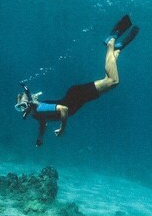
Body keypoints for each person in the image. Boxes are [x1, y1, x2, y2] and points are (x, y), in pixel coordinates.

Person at [15, 15, 139, 146]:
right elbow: (43, 122)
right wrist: (40, 138)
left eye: (23, 105)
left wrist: (63, 128)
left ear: (29, 102)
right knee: (109, 79)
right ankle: (116, 50)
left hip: (77, 96)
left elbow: (63, 109)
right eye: (19, 108)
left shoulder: (39, 108)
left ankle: (111, 41)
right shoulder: (36, 114)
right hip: (78, 97)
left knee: (113, 81)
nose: (23, 110)